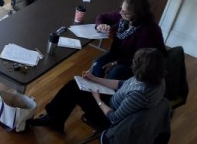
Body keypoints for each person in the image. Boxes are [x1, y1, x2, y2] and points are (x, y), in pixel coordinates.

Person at [28, 48, 166, 134]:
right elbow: (122, 84)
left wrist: (98, 100)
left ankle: (54, 119)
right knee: (74, 85)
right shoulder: (156, 79)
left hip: (107, 116)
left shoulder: (139, 93)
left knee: (73, 89)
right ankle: (55, 119)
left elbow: (114, 118)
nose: (131, 65)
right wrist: (95, 79)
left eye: (135, 63)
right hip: (114, 101)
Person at [91, 0, 166, 80]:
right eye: (121, 9)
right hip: (120, 54)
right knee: (98, 63)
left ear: (137, 15)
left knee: (115, 72)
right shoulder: (123, 16)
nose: (120, 13)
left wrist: (115, 63)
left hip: (142, 62)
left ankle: (108, 92)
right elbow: (103, 17)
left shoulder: (148, 31)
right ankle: (93, 87)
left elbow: (139, 57)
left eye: (125, 12)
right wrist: (100, 25)